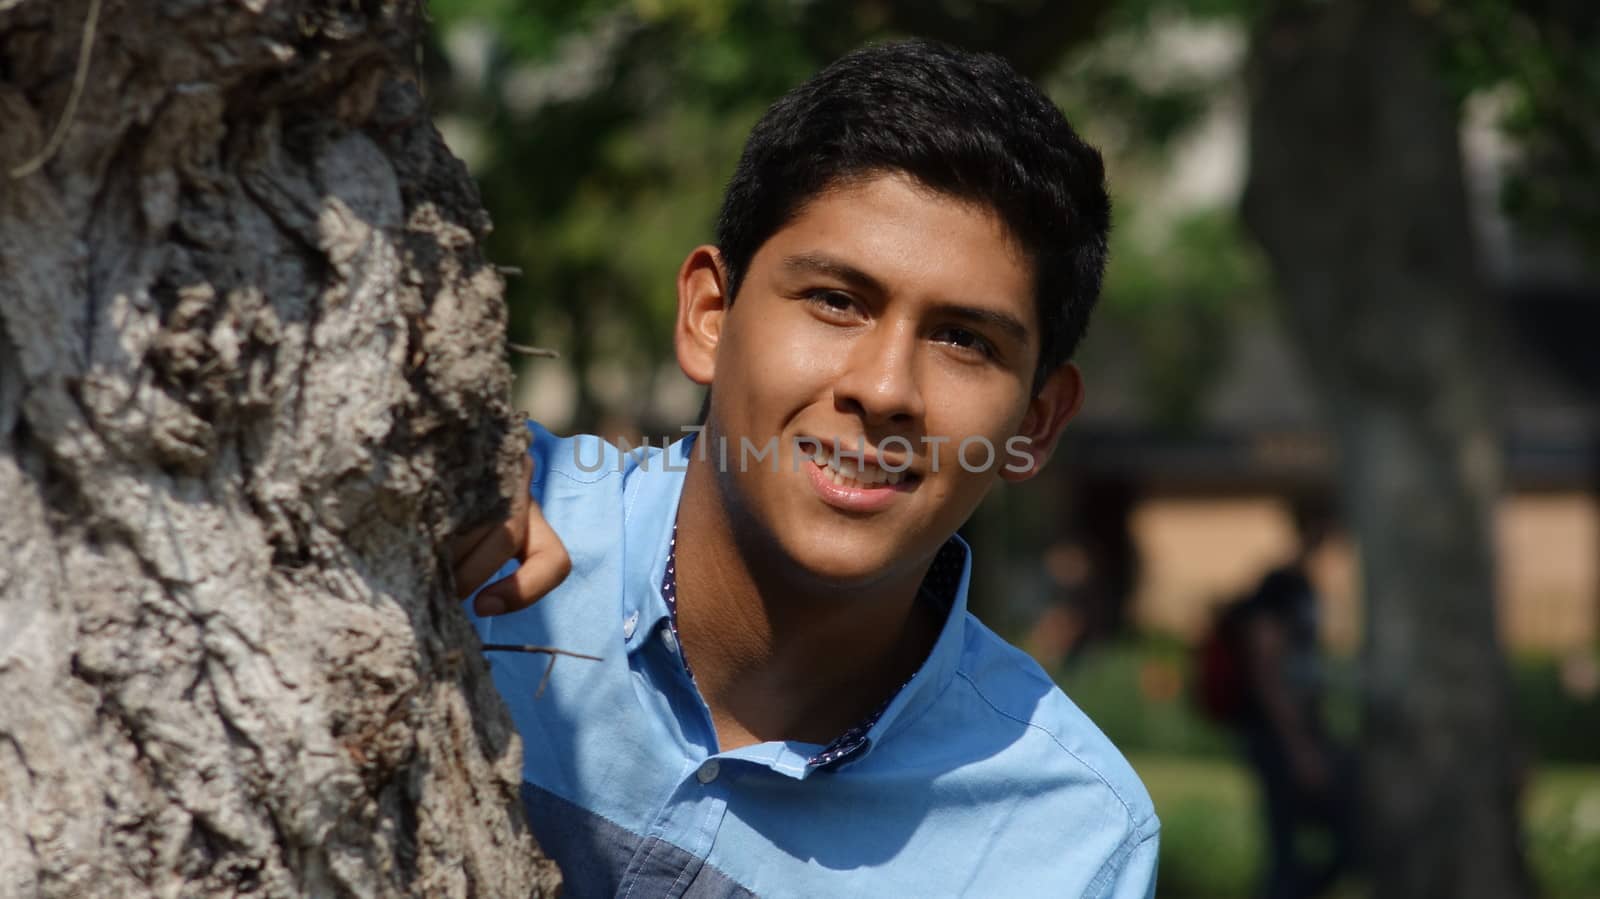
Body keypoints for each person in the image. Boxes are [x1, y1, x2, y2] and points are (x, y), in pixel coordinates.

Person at [450, 39, 1158, 898]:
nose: (885, 388)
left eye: (965, 341)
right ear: (711, 315)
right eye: (836, 300)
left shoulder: (1067, 843)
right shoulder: (473, 525)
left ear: (1037, 422)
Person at [1237, 494, 1355, 899]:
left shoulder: (1304, 584)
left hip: (1301, 730)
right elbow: (1265, 665)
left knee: (1334, 841)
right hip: (1277, 734)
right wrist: (1298, 744)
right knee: (1289, 849)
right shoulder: (1280, 585)